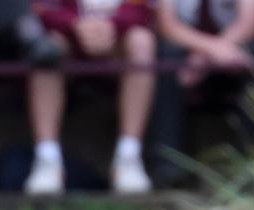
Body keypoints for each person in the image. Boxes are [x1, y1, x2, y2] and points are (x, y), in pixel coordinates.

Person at [149, 0, 254, 186]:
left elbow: (249, 23)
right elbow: (166, 25)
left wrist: (207, 55)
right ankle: (167, 167)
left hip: (235, 46)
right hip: (186, 49)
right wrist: (208, 49)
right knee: (166, 57)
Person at [24, 0, 158, 196]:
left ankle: (128, 158)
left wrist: (112, 25)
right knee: (47, 47)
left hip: (119, 38)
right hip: (65, 36)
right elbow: (42, 6)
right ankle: (47, 159)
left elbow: (144, 8)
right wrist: (75, 24)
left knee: (142, 41)